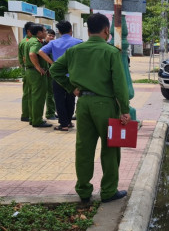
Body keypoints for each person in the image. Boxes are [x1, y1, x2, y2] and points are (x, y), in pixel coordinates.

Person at [50, 13, 130, 203]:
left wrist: (71, 88)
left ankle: (84, 191)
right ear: (105, 30)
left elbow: (55, 70)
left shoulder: (75, 50)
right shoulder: (111, 52)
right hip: (105, 104)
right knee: (110, 148)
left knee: (84, 148)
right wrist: (124, 109)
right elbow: (120, 84)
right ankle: (109, 190)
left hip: (83, 104)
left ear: (88, 30)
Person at [39, 21, 82, 131]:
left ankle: (63, 124)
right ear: (71, 30)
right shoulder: (78, 42)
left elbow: (41, 52)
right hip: (73, 75)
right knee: (71, 98)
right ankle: (68, 121)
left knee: (59, 100)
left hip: (58, 76)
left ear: (59, 31)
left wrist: (52, 63)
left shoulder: (54, 43)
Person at [24, 24, 52, 127]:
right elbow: (32, 54)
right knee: (38, 97)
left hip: (30, 72)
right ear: (39, 33)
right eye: (44, 31)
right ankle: (37, 121)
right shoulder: (36, 42)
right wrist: (38, 67)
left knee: (33, 96)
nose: (46, 33)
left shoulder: (30, 40)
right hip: (36, 74)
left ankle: (33, 118)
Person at [18, 22, 34, 122]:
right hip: (28, 70)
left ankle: (27, 114)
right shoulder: (26, 42)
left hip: (26, 70)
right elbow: (25, 58)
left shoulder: (26, 41)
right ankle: (26, 114)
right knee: (28, 93)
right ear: (28, 31)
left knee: (28, 93)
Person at [43, 28, 57, 120]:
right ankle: (50, 113)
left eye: (53, 36)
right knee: (50, 93)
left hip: (53, 72)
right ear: (45, 35)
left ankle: (53, 111)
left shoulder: (53, 45)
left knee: (53, 93)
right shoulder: (43, 46)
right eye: (49, 35)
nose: (51, 37)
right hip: (47, 72)